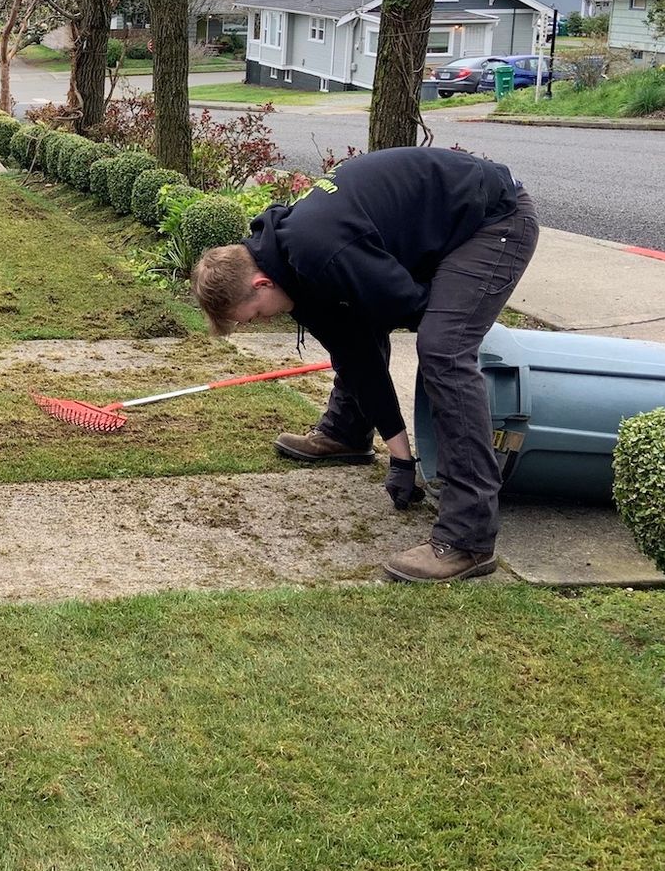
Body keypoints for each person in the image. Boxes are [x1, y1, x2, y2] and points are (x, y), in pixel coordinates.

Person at [190, 147, 539, 583]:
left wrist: (408, 458)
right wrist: (401, 458)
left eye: (257, 313)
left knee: (443, 348)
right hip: (436, 224)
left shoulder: (319, 249)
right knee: (357, 316)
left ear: (261, 282)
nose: (267, 319)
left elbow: (409, 305)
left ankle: (468, 538)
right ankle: (348, 433)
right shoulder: (284, 261)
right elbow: (354, 354)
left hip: (494, 220)